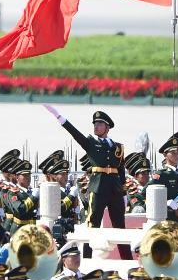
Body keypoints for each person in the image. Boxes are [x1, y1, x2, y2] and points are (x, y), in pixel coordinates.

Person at [43, 106, 131, 260]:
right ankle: (87, 260)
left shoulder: (118, 147)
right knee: (92, 225)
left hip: (115, 189)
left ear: (107, 127)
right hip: (98, 188)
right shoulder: (90, 143)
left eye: (99, 124)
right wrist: (58, 116)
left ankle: (128, 260)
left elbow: (121, 170)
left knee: (120, 227)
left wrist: (124, 192)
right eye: (95, 124)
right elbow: (74, 133)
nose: (96, 126)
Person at [151, 134, 178, 227]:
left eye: (177, 152)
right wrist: (166, 202)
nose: (176, 155)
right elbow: (146, 194)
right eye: (173, 153)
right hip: (167, 218)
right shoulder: (161, 174)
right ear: (165, 155)